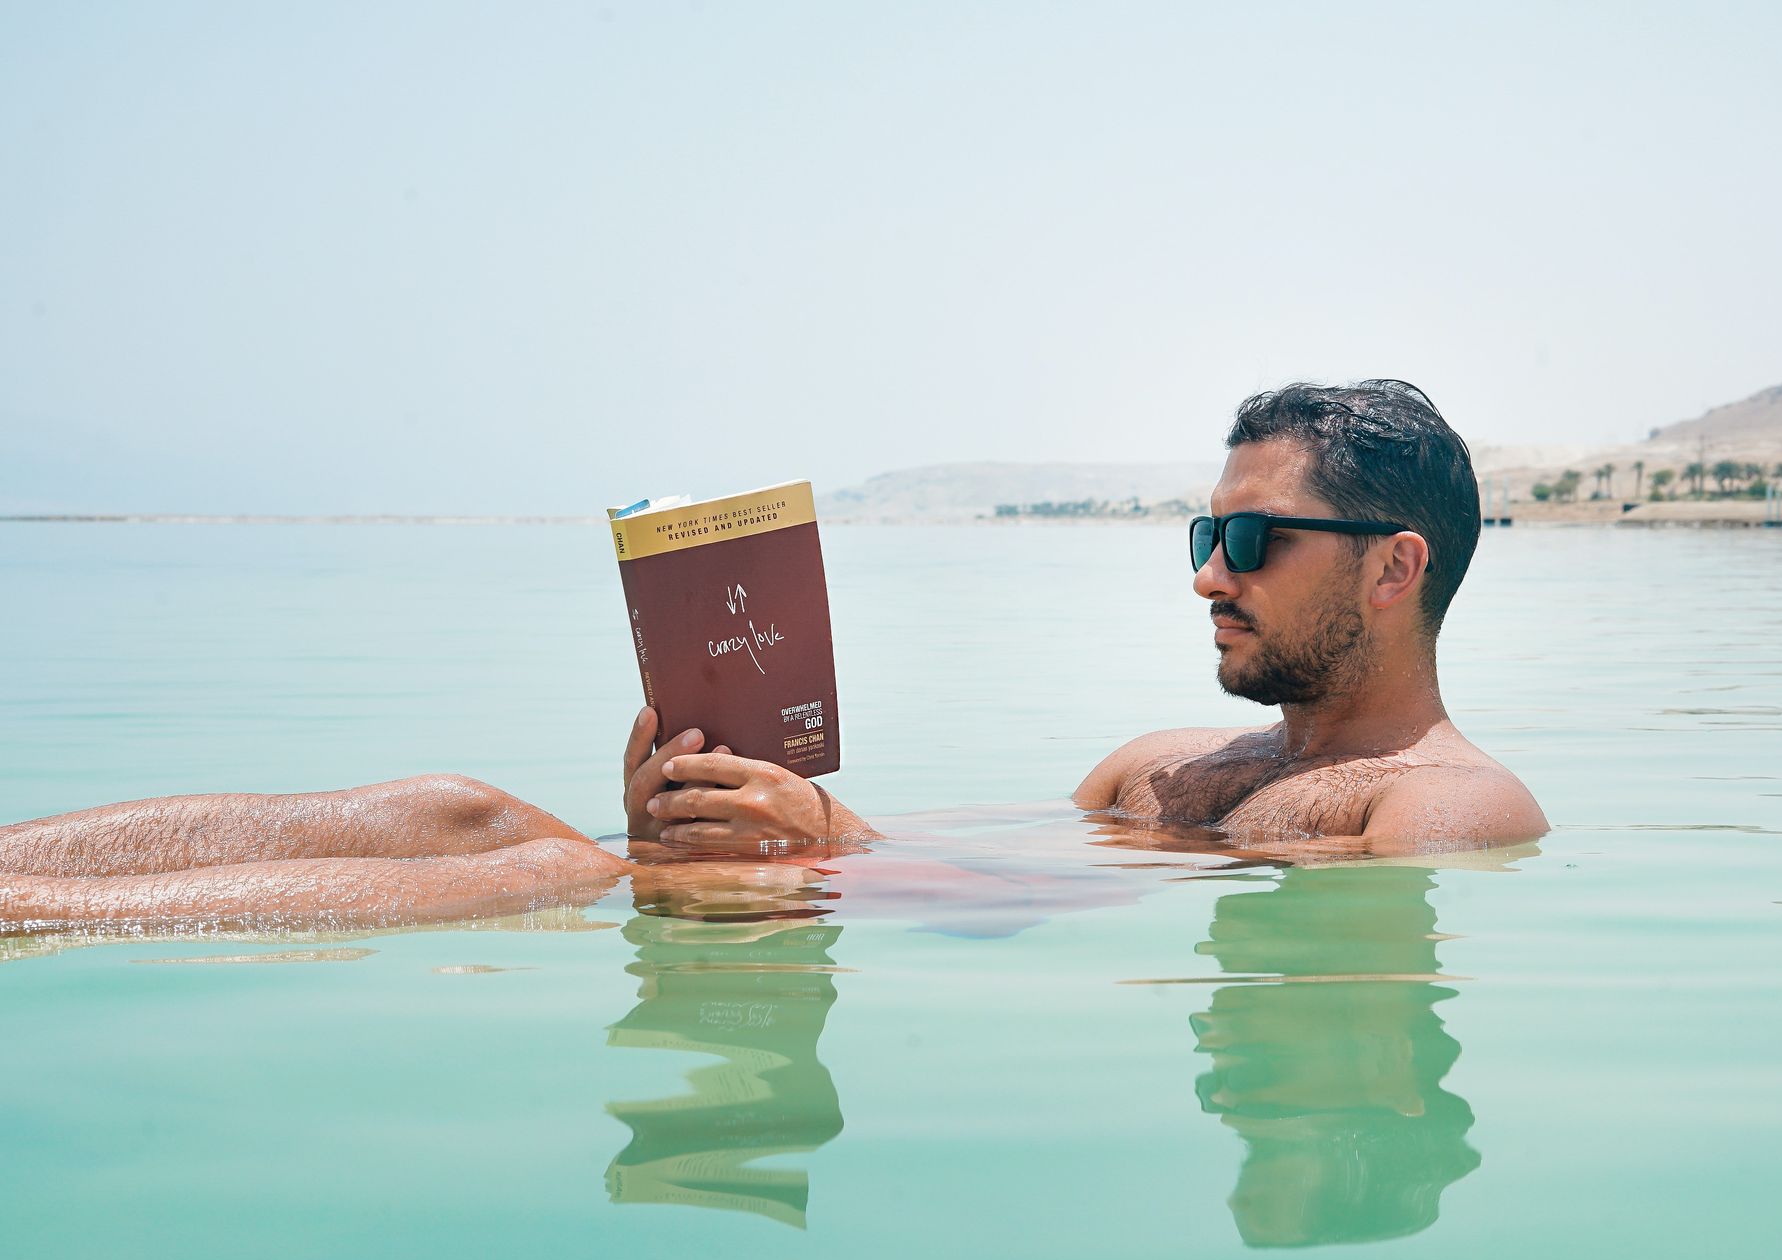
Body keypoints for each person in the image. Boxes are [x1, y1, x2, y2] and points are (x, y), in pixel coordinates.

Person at [0, 379, 1544, 931]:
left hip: (875, 922)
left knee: (548, 875)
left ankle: (27, 920)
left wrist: (830, 849)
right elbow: (997, 872)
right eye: (1201, 537)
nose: (1210, 572)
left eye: (1253, 542)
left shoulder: (1447, 809)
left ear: (1397, 568)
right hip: (856, 897)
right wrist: (722, 788)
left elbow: (1052, 934)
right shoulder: (1160, 767)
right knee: (466, 800)